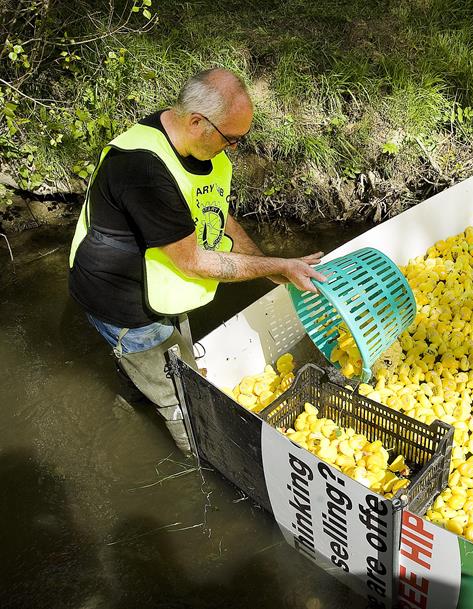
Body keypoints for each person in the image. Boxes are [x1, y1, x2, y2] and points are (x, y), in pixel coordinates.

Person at [68, 68, 327, 452]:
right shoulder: (143, 169)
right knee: (183, 400)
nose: (235, 148)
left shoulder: (196, 145)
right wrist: (276, 266)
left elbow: (216, 214)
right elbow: (193, 261)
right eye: (232, 139)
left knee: (175, 367)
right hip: (122, 300)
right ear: (196, 122)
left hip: (162, 286)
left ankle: (135, 392)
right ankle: (202, 458)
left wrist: (266, 264)